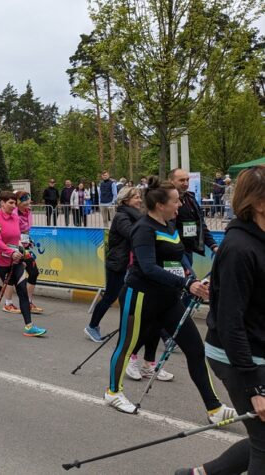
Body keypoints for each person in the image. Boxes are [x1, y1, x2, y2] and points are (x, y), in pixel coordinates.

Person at [104, 176, 235, 423]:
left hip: (168, 298)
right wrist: (186, 283)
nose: (179, 205)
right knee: (126, 345)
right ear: (160, 204)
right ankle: (113, 392)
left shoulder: (169, 225)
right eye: (175, 201)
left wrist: (192, 277)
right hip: (140, 296)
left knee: (195, 349)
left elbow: (178, 256)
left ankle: (214, 408)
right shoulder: (143, 228)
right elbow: (148, 267)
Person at [179, 166, 265, 475]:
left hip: (256, 347)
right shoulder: (239, 249)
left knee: (262, 439)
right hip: (238, 356)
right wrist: (255, 388)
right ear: (259, 203)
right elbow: (230, 322)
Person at [0, 191, 46, 337]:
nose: (14, 206)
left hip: (16, 261)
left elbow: (17, 237)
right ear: (2, 203)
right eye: (10, 203)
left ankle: (29, 326)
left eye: (14, 203)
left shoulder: (15, 217)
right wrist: (10, 252)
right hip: (0, 262)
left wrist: (22, 251)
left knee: (22, 292)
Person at [84, 187, 143, 342]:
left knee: (141, 298)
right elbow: (132, 234)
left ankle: (163, 336)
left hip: (132, 265)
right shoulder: (122, 217)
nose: (140, 200)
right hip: (119, 264)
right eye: (136, 197)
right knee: (110, 297)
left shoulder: (135, 216)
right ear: (126, 200)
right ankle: (92, 326)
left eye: (140, 197)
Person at [169, 168, 218, 275]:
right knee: (191, 281)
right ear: (171, 181)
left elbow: (201, 225)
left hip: (189, 249)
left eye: (187, 180)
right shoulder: (165, 202)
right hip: (174, 251)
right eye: (182, 180)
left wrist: (213, 245)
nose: (186, 183)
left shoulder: (190, 198)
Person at [2, 191, 43, 314]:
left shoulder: (28, 212)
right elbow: (11, 231)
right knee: (13, 275)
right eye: (25, 203)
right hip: (14, 246)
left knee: (34, 272)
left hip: (24, 246)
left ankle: (29, 302)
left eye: (29, 202)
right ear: (18, 203)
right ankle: (8, 304)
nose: (28, 205)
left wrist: (27, 240)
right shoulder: (13, 214)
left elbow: (26, 230)